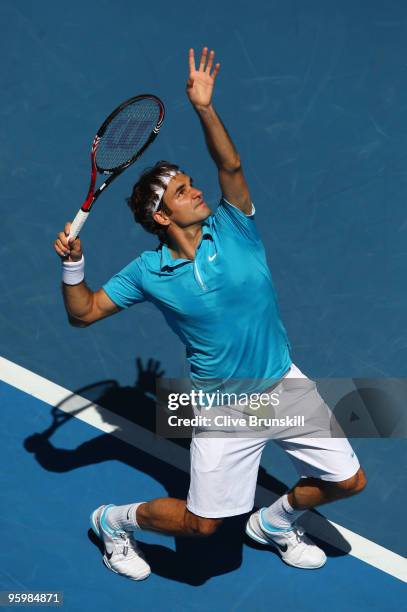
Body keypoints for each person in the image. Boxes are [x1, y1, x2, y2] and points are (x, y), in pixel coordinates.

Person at [54, 47, 366, 581]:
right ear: (161, 214)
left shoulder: (235, 226)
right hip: (223, 410)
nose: (197, 190)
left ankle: (274, 521)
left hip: (283, 384)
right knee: (203, 528)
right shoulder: (146, 273)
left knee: (348, 481)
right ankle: (114, 522)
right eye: (181, 191)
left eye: (191, 183)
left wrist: (204, 108)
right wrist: (75, 267)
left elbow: (231, 165)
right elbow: (83, 314)